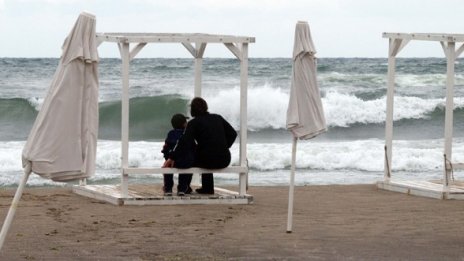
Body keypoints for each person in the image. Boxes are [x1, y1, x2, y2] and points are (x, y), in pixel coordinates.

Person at [163, 97, 237, 194]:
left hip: (207, 160)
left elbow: (184, 142)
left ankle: (186, 188)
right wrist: (224, 146)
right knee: (206, 153)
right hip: (225, 159)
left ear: (192, 110)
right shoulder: (217, 117)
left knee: (191, 159)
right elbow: (233, 134)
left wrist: (171, 157)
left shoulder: (193, 123)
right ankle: (207, 188)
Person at [161, 113, 195, 196]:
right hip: (185, 161)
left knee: (167, 168)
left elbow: (166, 148)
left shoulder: (170, 134)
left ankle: (168, 188)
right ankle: (182, 189)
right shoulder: (188, 134)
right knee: (186, 169)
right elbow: (193, 148)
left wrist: (167, 158)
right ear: (184, 124)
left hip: (172, 161)